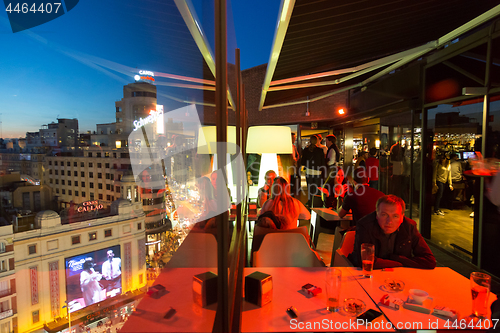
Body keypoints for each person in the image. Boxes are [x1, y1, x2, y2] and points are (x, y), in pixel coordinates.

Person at [350, 195, 436, 269]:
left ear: (402, 217)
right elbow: (364, 261)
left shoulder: (409, 226)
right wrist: (400, 263)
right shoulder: (365, 225)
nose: (389, 221)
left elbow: (429, 260)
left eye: (395, 216)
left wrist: (394, 258)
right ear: (376, 215)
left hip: (400, 278)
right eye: (384, 215)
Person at [301, 135, 326, 206]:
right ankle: (316, 203)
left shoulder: (306, 150)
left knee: (310, 188)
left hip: (309, 171)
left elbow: (303, 162)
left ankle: (310, 202)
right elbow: (322, 163)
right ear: (316, 141)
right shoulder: (320, 150)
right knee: (317, 188)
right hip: (318, 172)